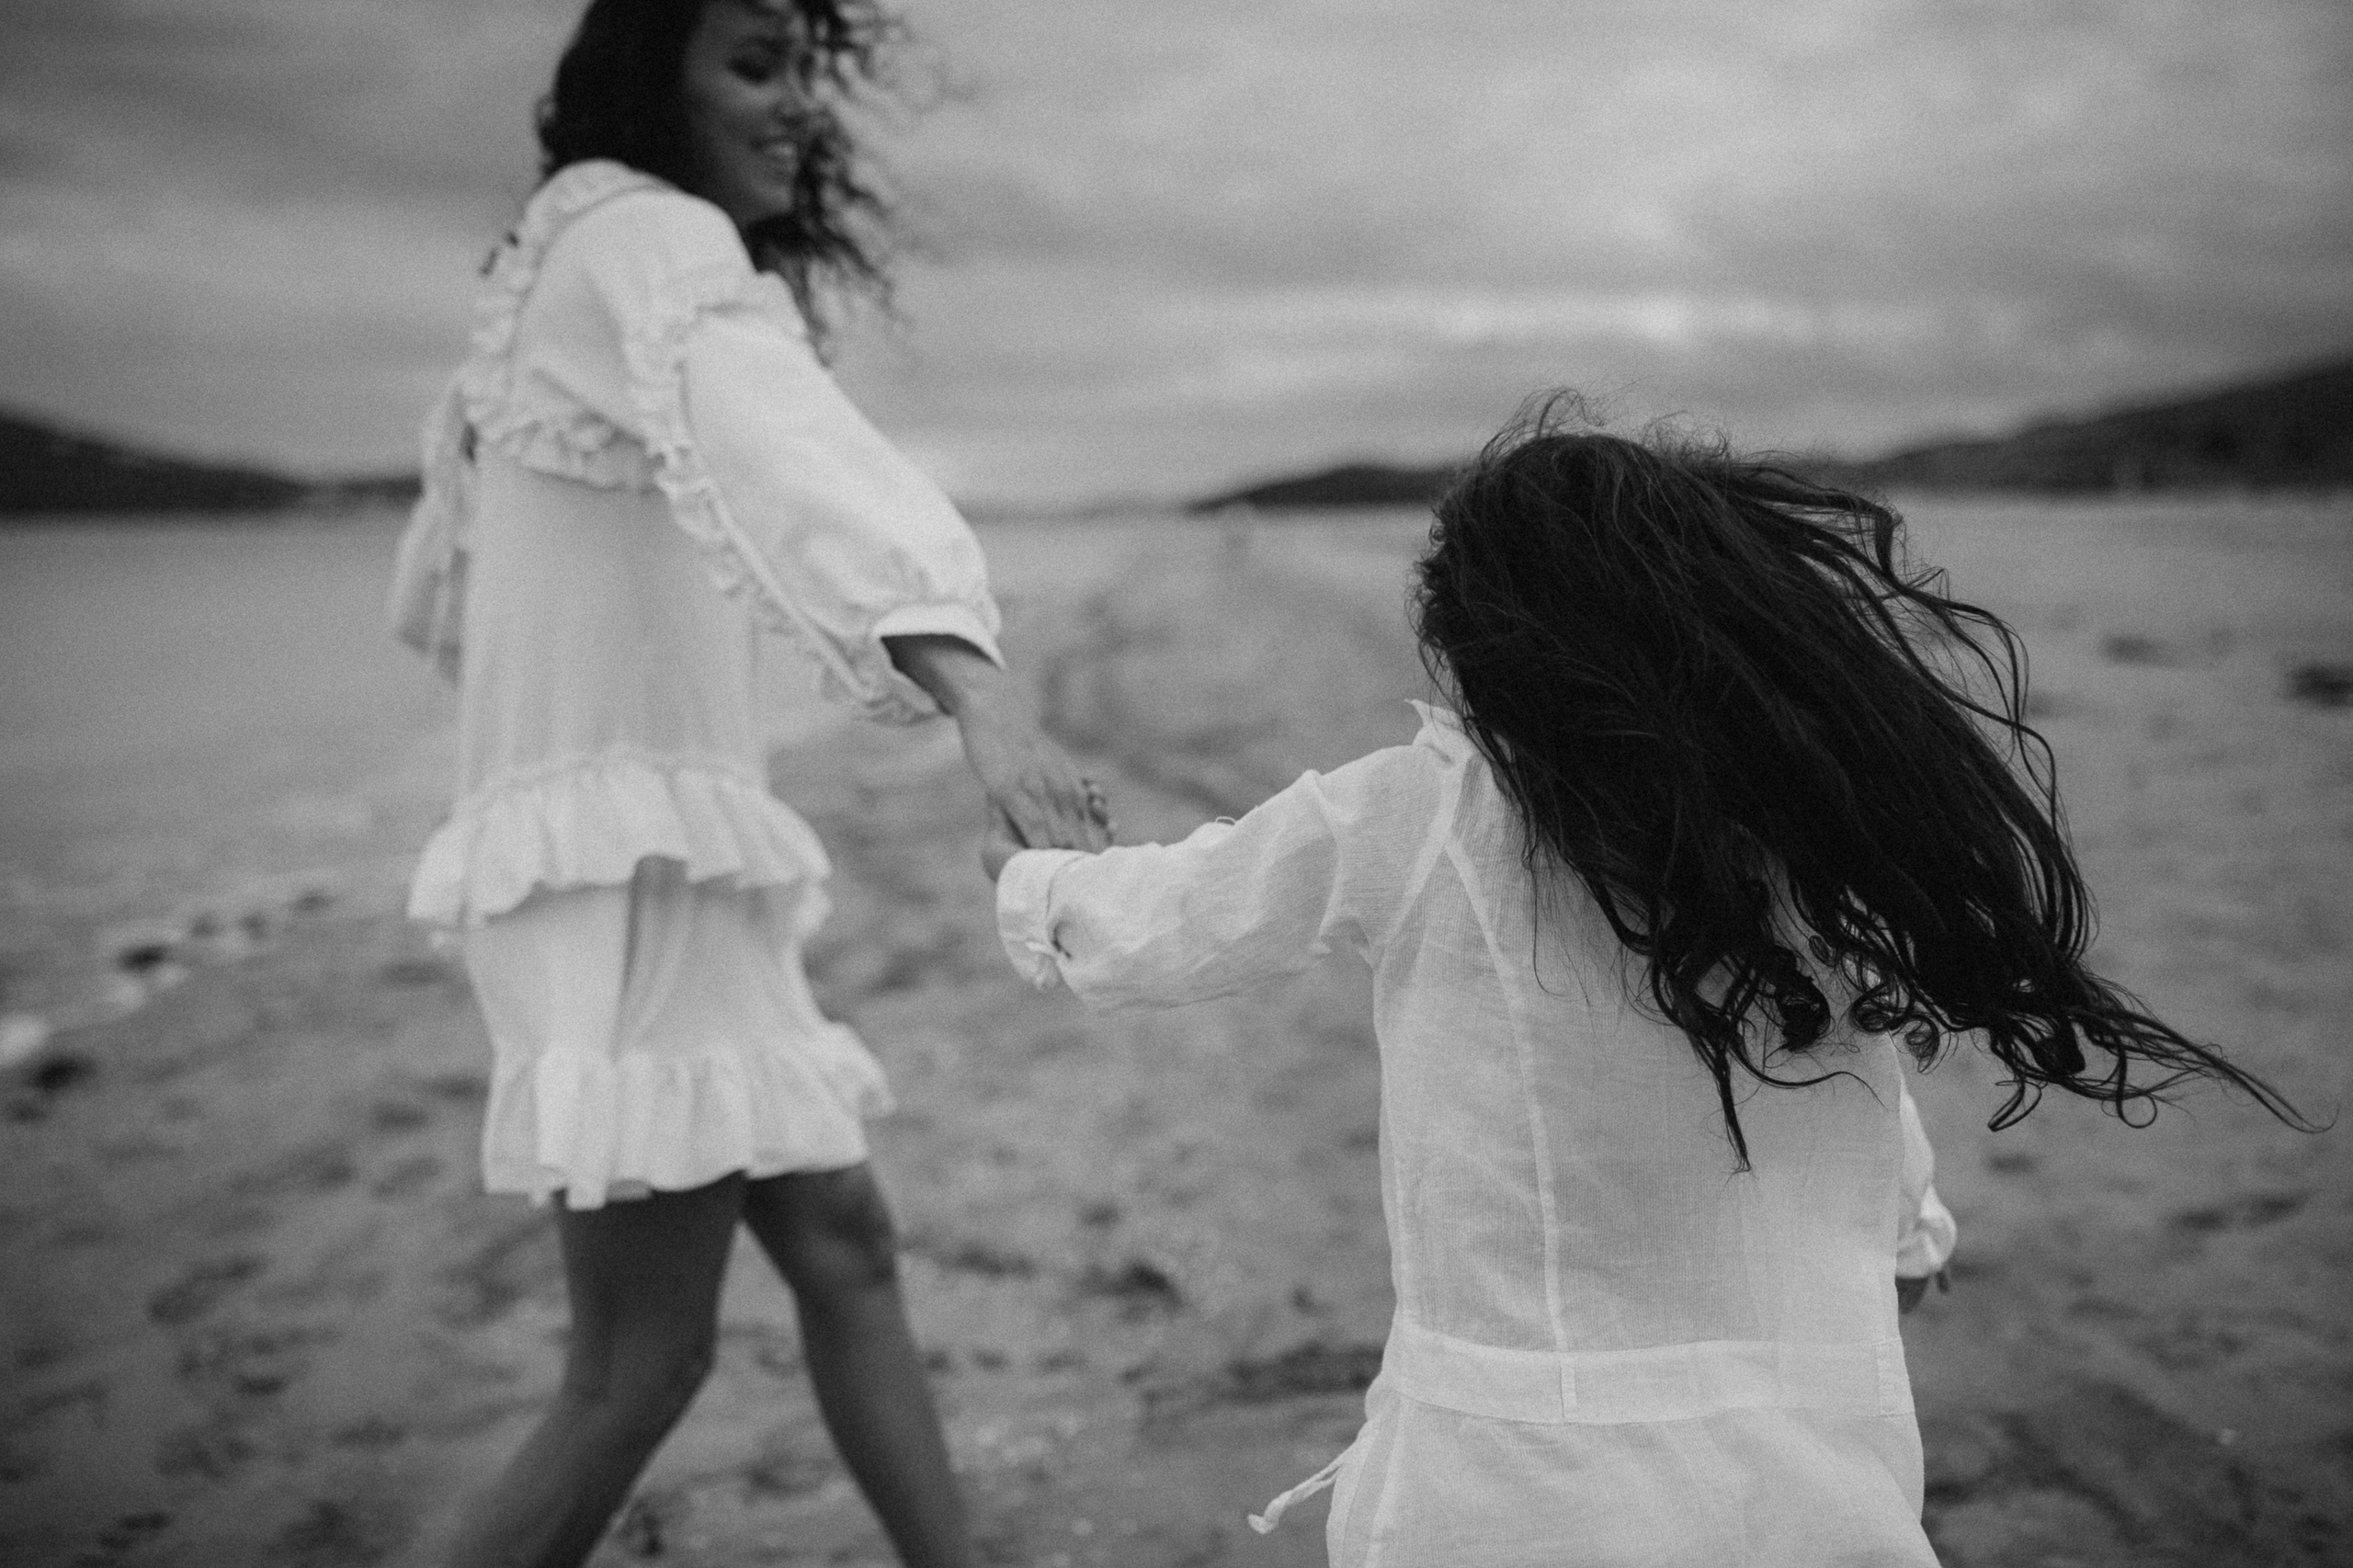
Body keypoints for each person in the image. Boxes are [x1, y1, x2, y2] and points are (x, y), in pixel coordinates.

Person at [985, 404, 2308, 1566]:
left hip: (1507, 1494)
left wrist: (1035, 877)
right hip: (1807, 1493)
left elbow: (1173, 919)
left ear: (1487, 654)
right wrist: (1907, 1245)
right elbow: (1873, 1124)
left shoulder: (1417, 812)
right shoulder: (1799, 847)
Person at [387, 3, 1106, 1564]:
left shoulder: (563, 266)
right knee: (638, 1366)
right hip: (627, 878)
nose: (796, 109)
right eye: (753, 64)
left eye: (800, 71)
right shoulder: (645, 240)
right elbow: (785, 447)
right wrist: (976, 688)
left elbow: (439, 597)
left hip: (658, 860)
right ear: (653, 81)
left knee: (846, 1245)